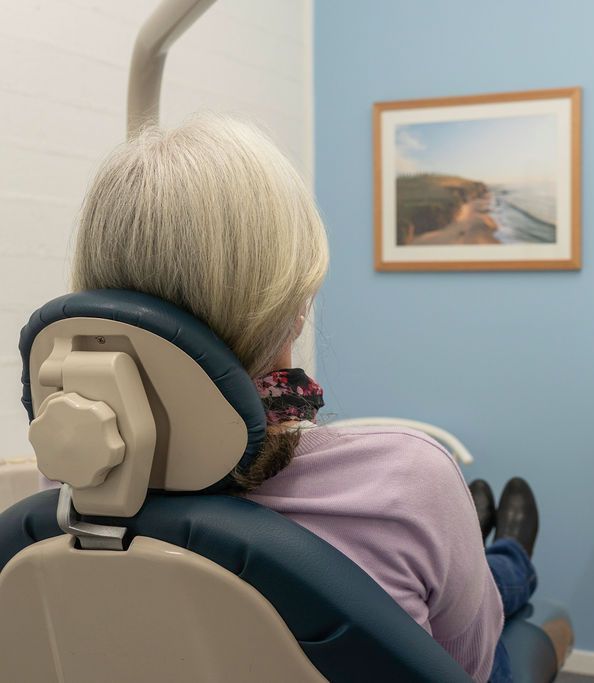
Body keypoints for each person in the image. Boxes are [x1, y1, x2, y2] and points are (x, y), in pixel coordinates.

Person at [70, 114, 539, 683]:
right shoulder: (408, 483)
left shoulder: (74, 494)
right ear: (294, 306)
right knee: (494, 590)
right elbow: (471, 666)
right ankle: (512, 552)